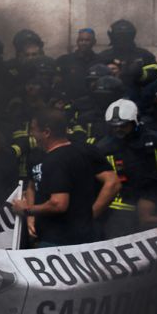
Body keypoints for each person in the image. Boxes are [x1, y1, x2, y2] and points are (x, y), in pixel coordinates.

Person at [10, 107, 111, 249]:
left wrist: (27, 210)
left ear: (46, 132)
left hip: (59, 242)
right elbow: (33, 185)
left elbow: (58, 204)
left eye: (33, 129)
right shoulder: (81, 152)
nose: (31, 134)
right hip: (84, 237)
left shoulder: (55, 160)